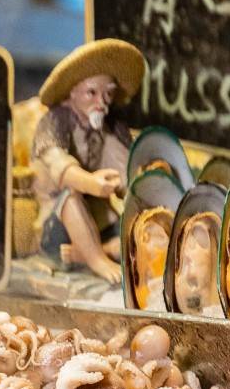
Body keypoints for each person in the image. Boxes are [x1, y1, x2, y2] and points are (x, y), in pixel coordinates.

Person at [31, 39, 146, 284]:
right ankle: (95, 258)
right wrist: (91, 182)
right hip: (57, 225)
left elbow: (125, 165)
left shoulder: (108, 127)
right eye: (91, 93)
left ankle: (86, 254)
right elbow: (59, 165)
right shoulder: (54, 122)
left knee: (133, 234)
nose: (101, 102)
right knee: (70, 196)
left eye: (108, 94)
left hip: (98, 221)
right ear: (72, 92)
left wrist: (131, 187)